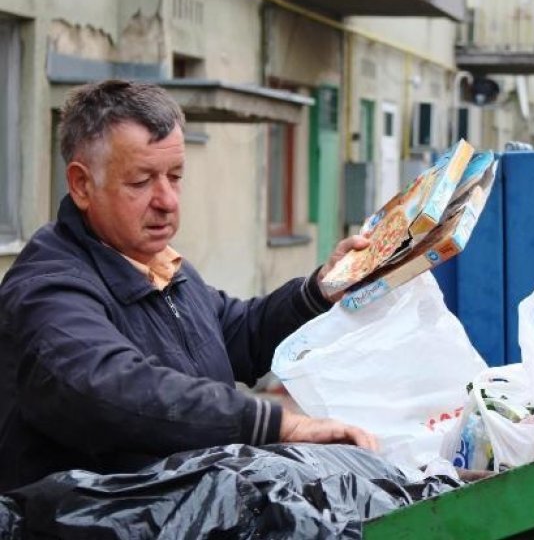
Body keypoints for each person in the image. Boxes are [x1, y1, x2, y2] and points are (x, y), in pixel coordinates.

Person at [0, 79, 377, 492]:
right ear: (82, 185)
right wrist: (276, 423)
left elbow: (239, 332)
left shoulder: (162, 266)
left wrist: (320, 289)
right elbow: (109, 387)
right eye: (141, 181)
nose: (167, 200)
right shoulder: (48, 289)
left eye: (175, 177)